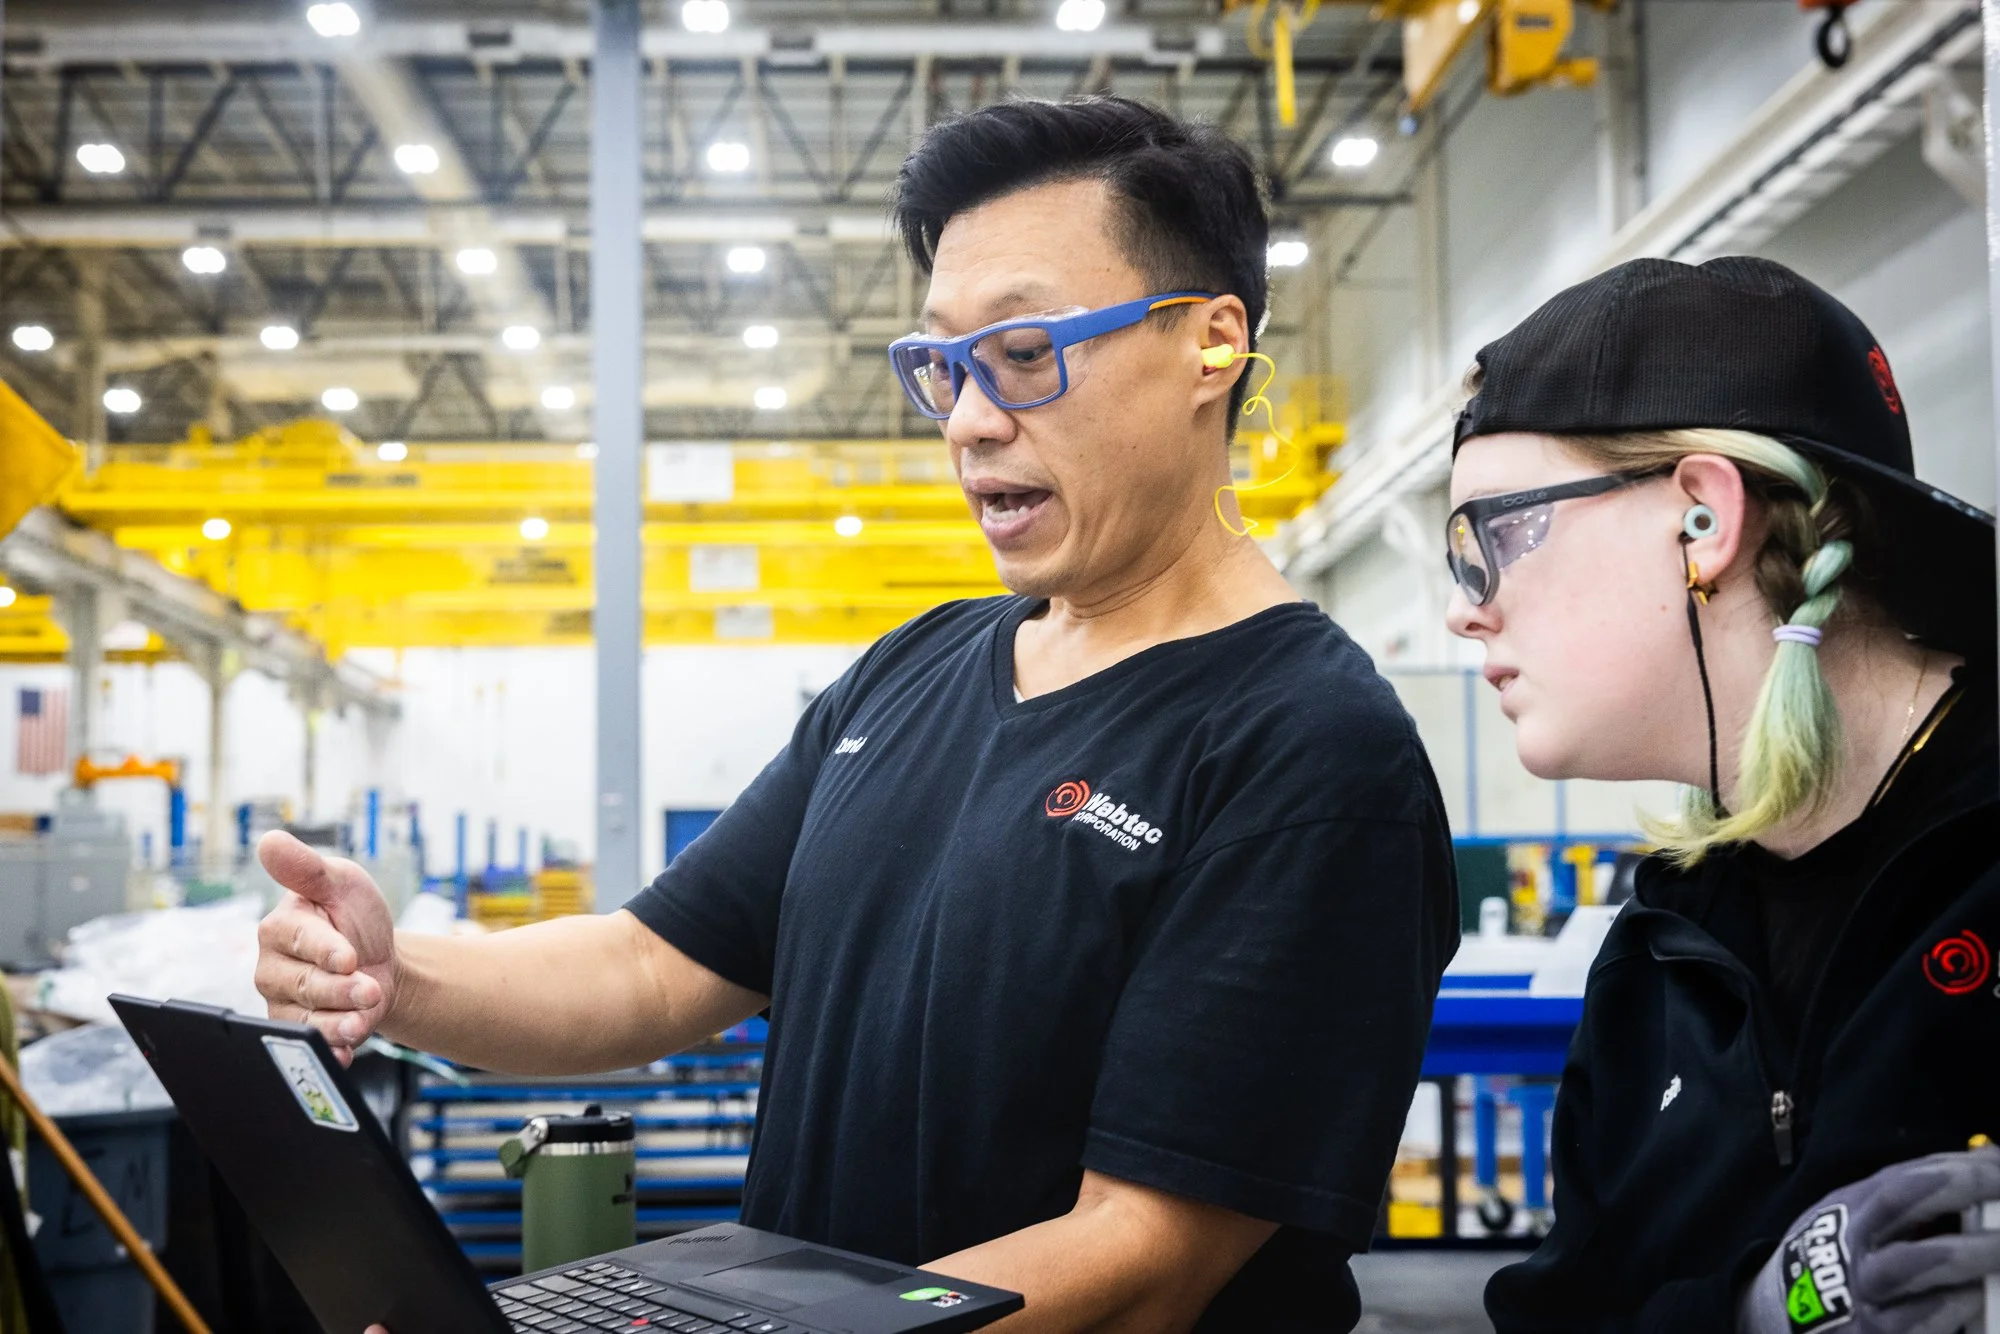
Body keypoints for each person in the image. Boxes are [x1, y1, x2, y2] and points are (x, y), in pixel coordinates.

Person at [256, 96, 1459, 1333]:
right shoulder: (912, 670)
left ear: (1210, 345)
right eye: (941, 365)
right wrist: (397, 976)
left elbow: (1142, 1257)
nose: (970, 418)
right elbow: (651, 962)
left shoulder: (1307, 747)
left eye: (1027, 351)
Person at [1443, 256, 2000, 1333]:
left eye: (1489, 539)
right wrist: (1751, 1311)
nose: (1469, 609)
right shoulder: (1664, 949)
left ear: (1702, 516)